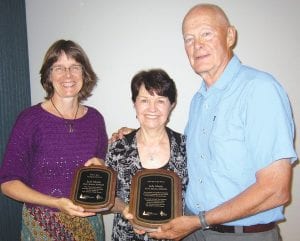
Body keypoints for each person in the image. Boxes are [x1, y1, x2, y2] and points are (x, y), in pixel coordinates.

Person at [114, 4, 297, 241]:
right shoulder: (199, 100)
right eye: (188, 39)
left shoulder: (259, 90)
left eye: (206, 34)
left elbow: (276, 190)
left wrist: (200, 221)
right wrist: (140, 134)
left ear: (230, 36)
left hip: (240, 235)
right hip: (193, 231)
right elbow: (186, 157)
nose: (197, 45)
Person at [0, 39, 108, 240]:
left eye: (75, 67)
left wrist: (101, 167)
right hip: (43, 224)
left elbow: (98, 171)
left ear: (84, 73)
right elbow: (8, 183)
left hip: (89, 224)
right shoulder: (30, 119)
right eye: (59, 68)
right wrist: (56, 202)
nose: (68, 75)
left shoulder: (95, 119)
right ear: (49, 75)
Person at [105, 69, 188, 241]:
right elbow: (107, 198)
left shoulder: (187, 147)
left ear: (171, 105)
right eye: (144, 100)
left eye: (160, 100)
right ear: (134, 103)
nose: (152, 108)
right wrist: (125, 210)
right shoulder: (117, 148)